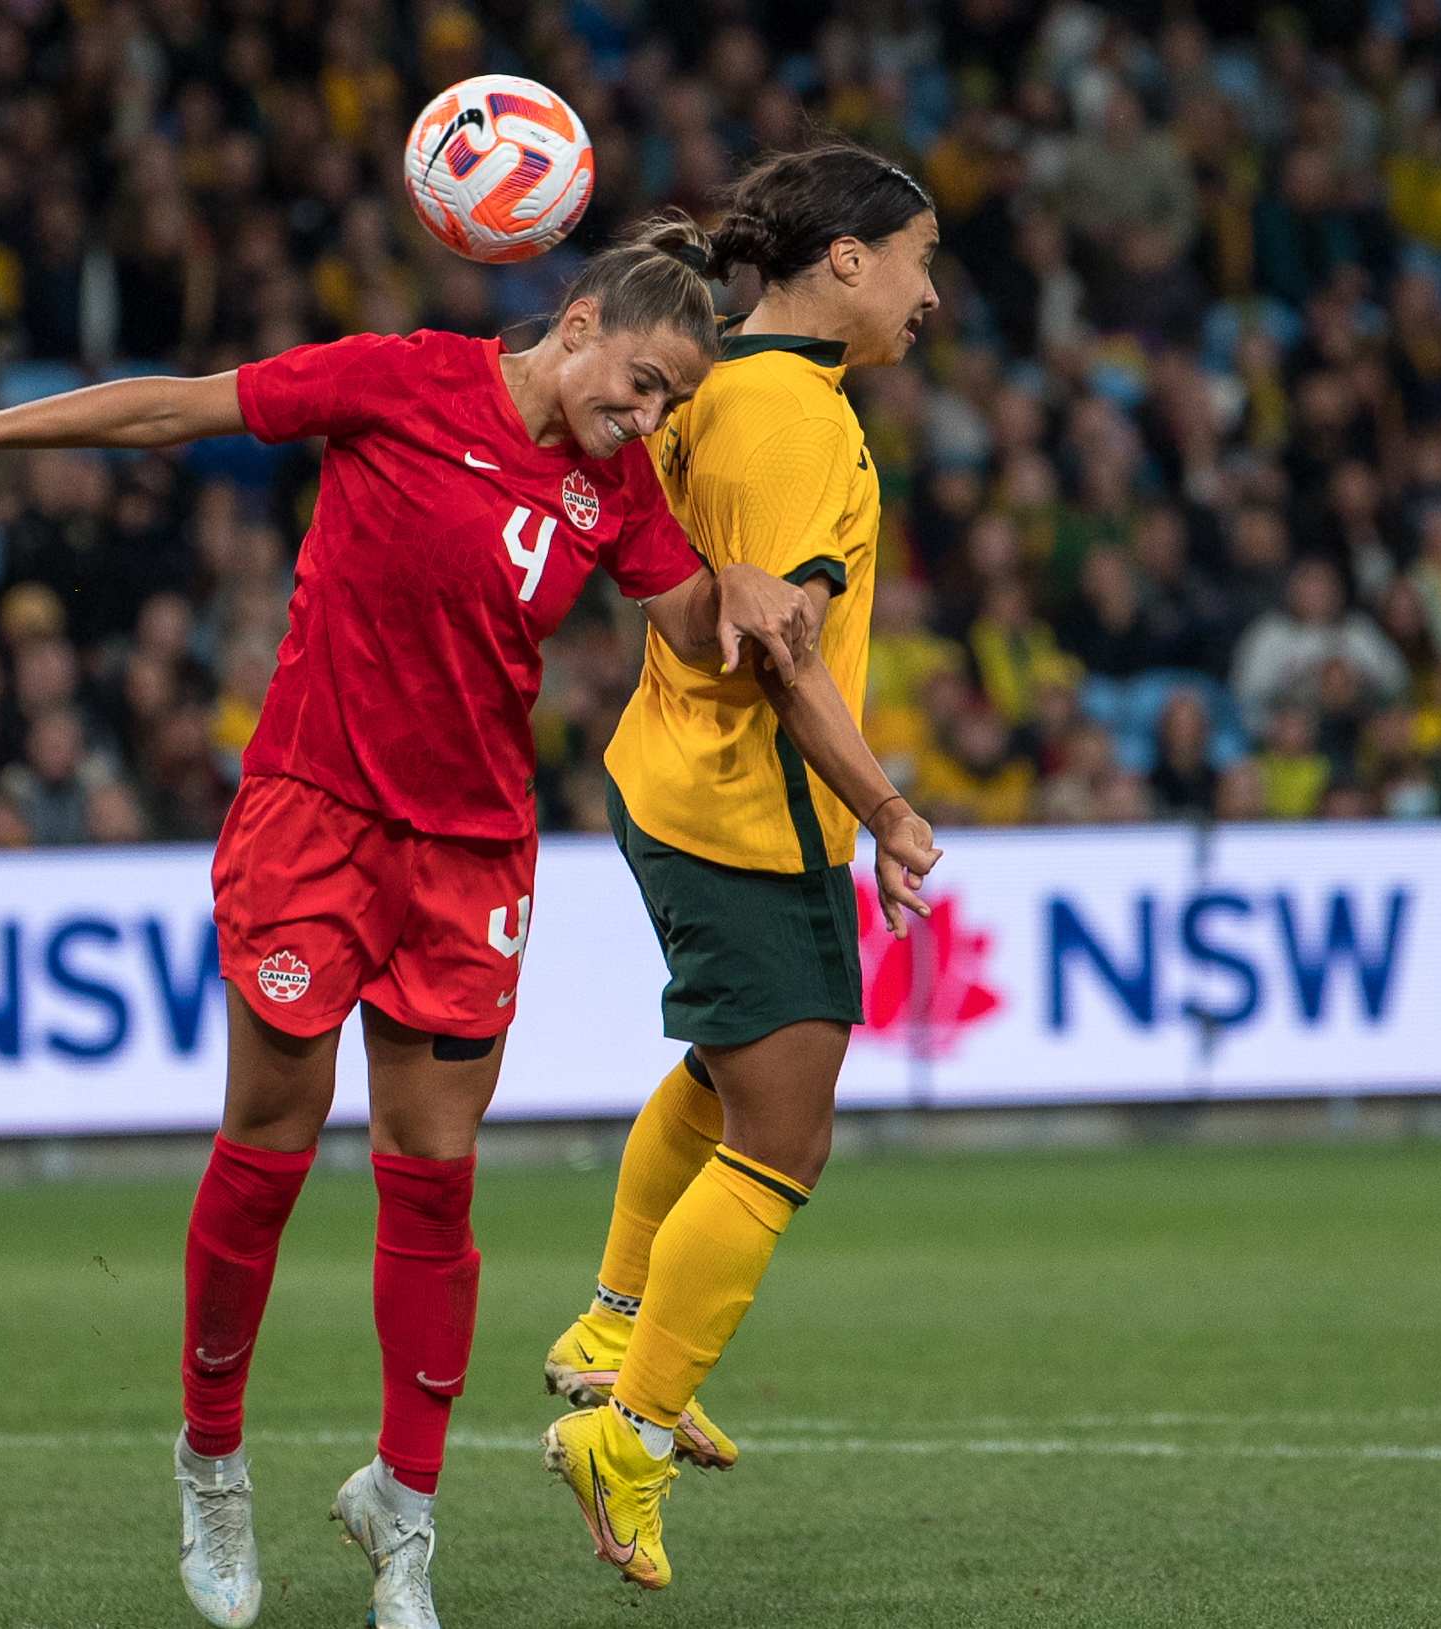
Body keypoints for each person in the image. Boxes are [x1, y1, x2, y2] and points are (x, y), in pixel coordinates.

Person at [0, 216, 814, 1629]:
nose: (643, 418)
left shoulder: (619, 488)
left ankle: (401, 1516)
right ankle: (210, 1457)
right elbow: (176, 408)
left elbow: (694, 623)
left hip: (470, 853)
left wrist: (758, 587)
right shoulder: (399, 378)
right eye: (639, 382)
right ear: (575, 325)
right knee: (271, 1137)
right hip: (313, 816)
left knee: (434, 1174)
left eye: (668, 406)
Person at [538, 144, 945, 1592]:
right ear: (845, 260)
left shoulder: (730, 389)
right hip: (742, 812)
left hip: (683, 785)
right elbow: (772, 645)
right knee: (784, 1133)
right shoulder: (791, 416)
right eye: (914, 258)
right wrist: (885, 810)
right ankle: (626, 1432)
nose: (927, 294)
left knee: (724, 1076)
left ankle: (609, 1329)